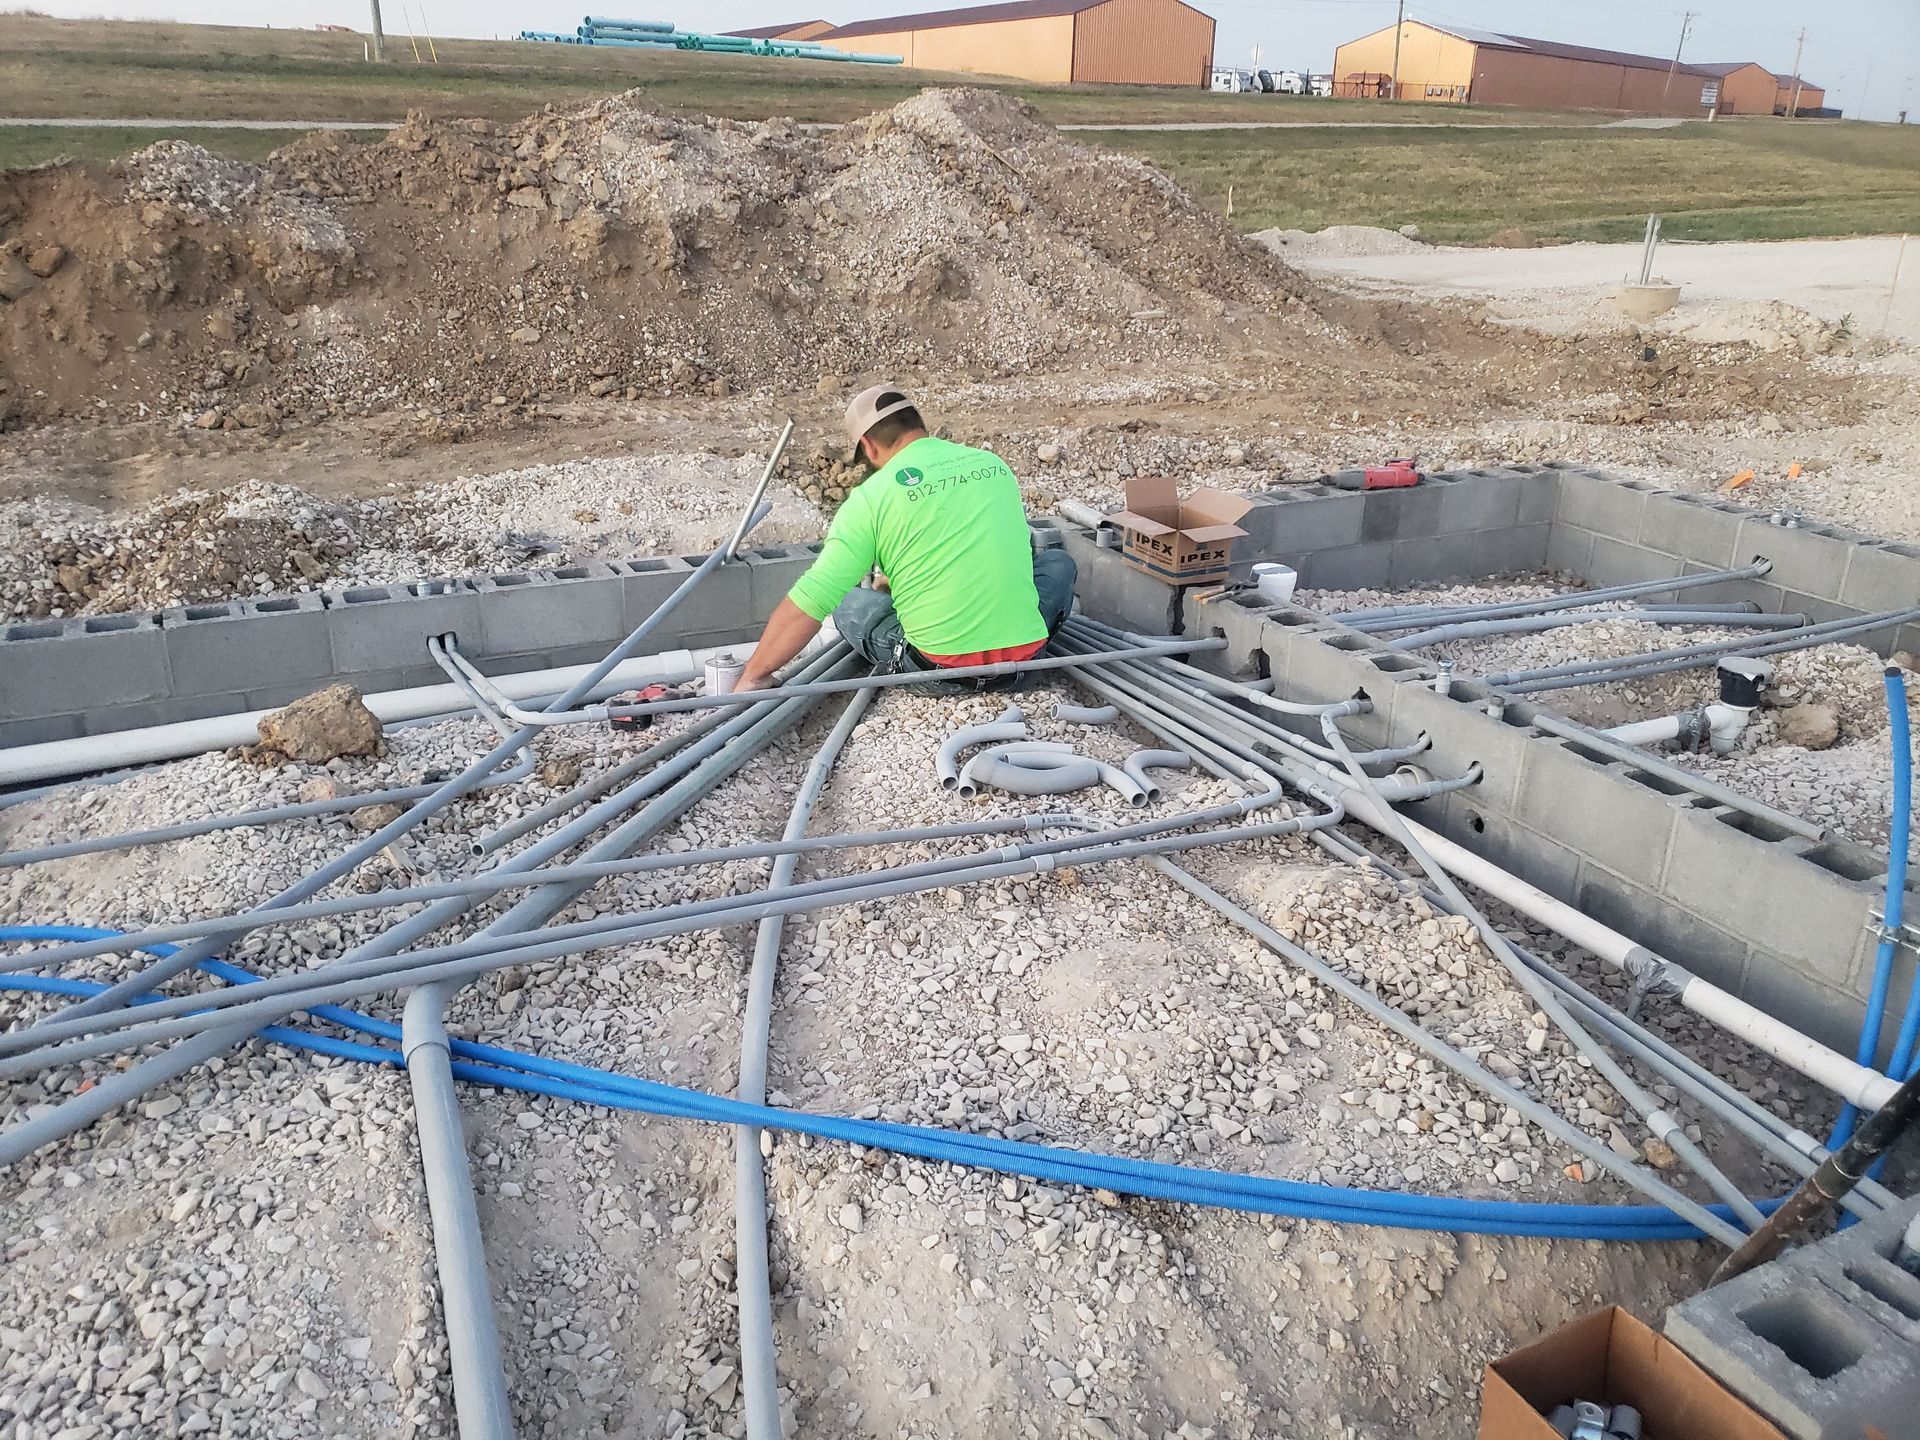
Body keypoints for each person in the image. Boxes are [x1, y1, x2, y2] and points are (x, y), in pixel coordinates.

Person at [736, 384, 1076, 692]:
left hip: (940, 671)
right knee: (1058, 564)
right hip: (1027, 662)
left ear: (868, 446)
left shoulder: (871, 498)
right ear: (919, 426)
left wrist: (753, 675)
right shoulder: (993, 466)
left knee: (845, 603)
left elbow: (812, 598)